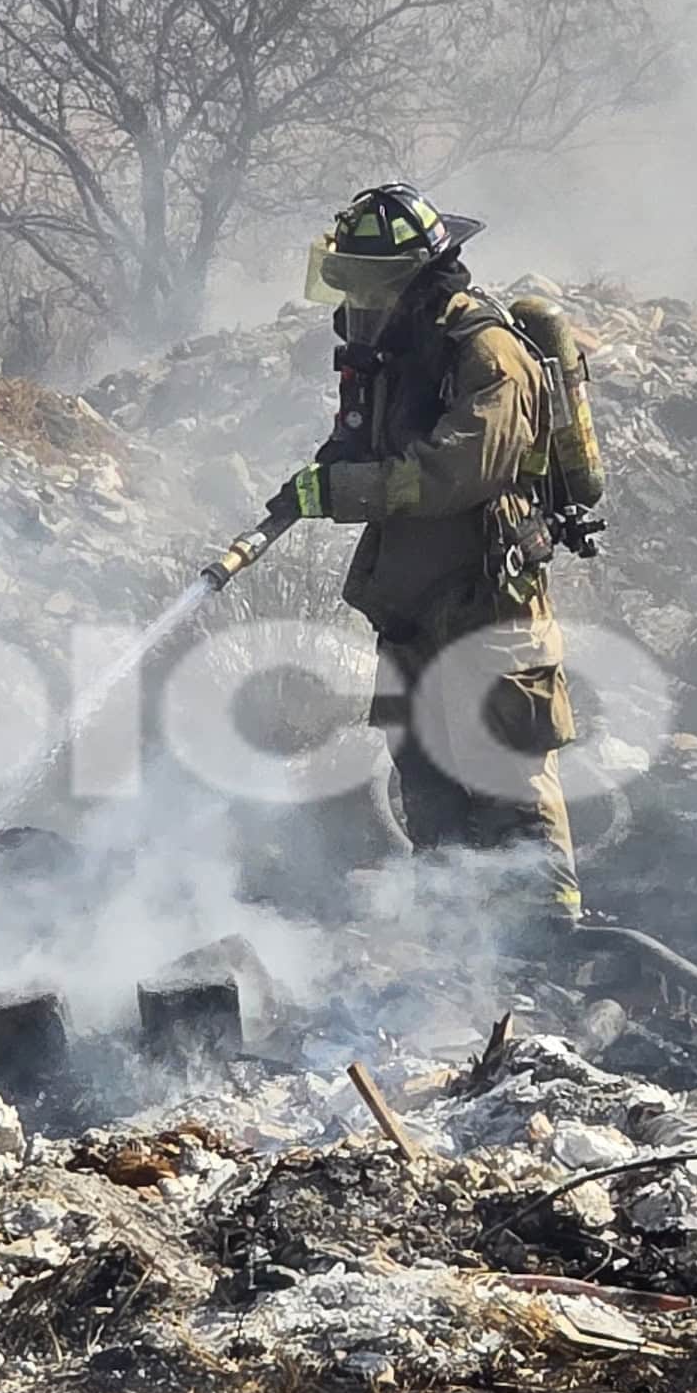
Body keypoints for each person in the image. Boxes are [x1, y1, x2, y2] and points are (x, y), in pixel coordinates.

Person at [263, 183, 584, 937]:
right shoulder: (393, 351)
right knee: (427, 775)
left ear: (411, 277)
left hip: (486, 598)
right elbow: (368, 445)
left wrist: (345, 490)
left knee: (508, 768)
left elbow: (450, 473)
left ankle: (556, 938)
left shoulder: (488, 354)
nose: (357, 301)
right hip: (410, 603)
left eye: (369, 284)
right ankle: (458, 942)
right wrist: (323, 474)